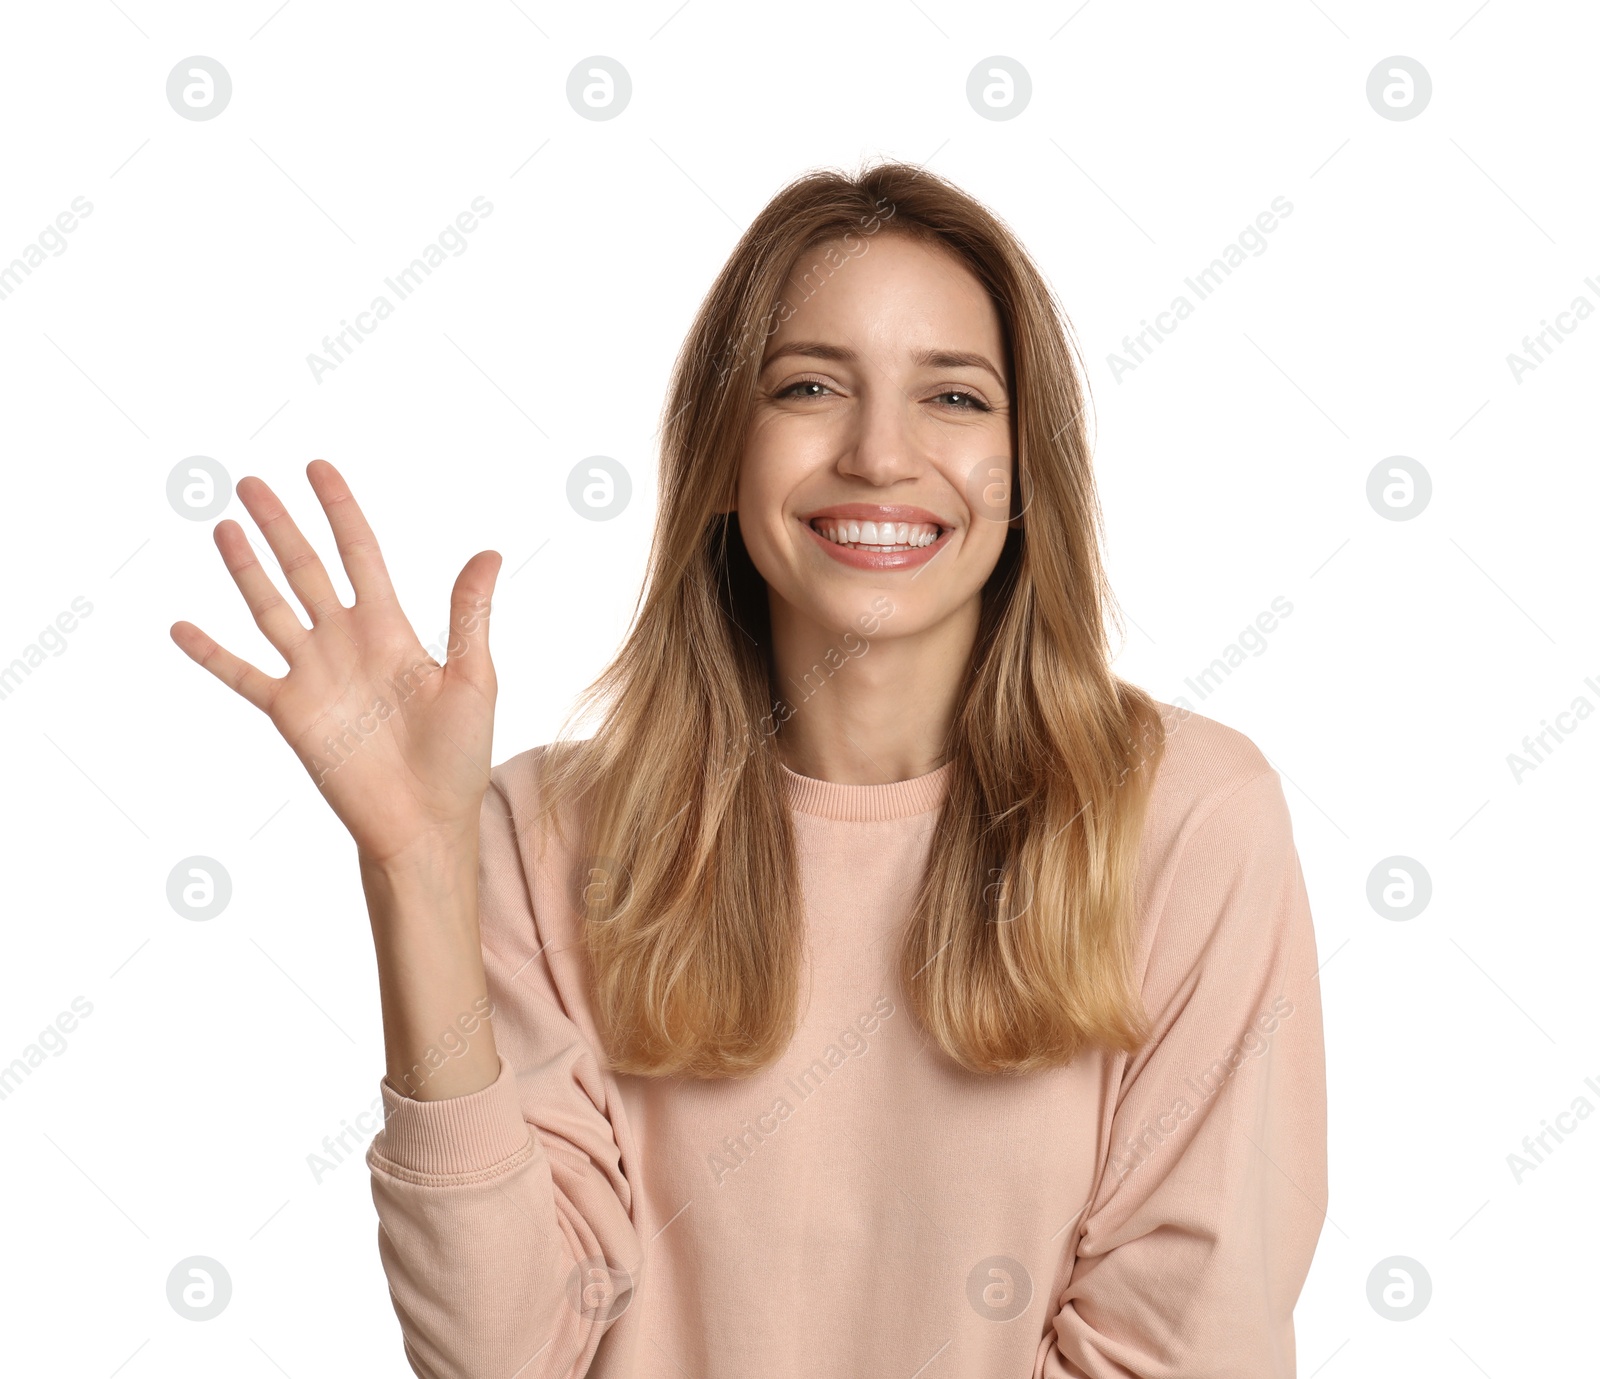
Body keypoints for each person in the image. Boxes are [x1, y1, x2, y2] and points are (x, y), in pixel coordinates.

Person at [170, 160, 1327, 1378]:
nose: (880, 454)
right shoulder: (537, 831)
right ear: (722, 456)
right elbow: (506, 1353)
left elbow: (1179, 1348)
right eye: (810, 385)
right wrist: (416, 867)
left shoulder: (1189, 818)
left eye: (954, 397)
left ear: (1026, 470)